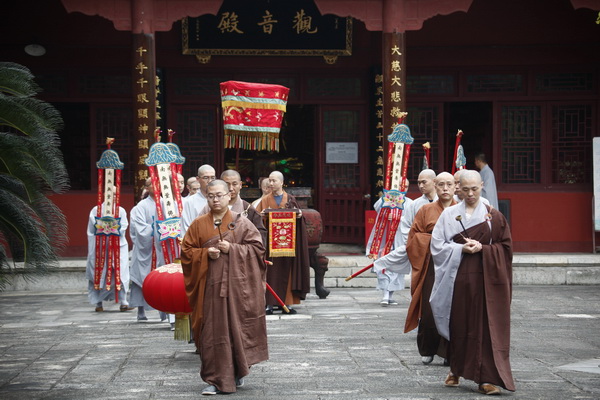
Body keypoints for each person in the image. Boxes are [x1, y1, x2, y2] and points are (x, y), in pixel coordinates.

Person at [430, 170, 514, 395]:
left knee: (484, 327)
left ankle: (485, 378)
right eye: (465, 189)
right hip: (458, 278)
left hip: (486, 280)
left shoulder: (492, 216)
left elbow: (505, 248)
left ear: (482, 186)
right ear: (459, 188)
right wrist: (460, 247)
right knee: (459, 324)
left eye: (474, 189)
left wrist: (484, 249)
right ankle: (455, 369)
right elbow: (437, 246)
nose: (469, 194)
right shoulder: (449, 215)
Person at [181, 180, 268, 395]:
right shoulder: (199, 224)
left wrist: (233, 249)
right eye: (211, 196)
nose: (215, 199)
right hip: (210, 290)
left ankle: (237, 371)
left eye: (219, 195)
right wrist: (204, 254)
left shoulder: (242, 223)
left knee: (237, 330)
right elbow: (186, 252)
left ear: (229, 196)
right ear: (206, 197)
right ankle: (214, 379)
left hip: (238, 291)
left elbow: (258, 250)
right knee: (212, 333)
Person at [405, 172, 457, 366]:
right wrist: (435, 240)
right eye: (441, 184)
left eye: (449, 184)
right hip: (431, 266)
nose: (445, 188)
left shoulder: (460, 210)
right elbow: (413, 238)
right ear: (435, 186)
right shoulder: (425, 210)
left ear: (455, 187)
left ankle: (448, 351)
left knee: (452, 309)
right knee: (429, 308)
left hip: (454, 265)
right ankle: (428, 348)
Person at [254, 171, 310, 315]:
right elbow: (257, 220)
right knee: (271, 273)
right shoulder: (265, 200)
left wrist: (299, 215)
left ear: (281, 182)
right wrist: (263, 215)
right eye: (269, 181)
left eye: (274, 181)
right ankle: (269, 304)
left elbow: (299, 217)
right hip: (270, 244)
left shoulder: (290, 199)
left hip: (288, 244)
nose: (271, 184)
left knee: (288, 272)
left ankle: (287, 302)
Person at [366, 180, 413, 306]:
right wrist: (387, 211)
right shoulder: (386, 199)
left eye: (407, 187)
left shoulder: (410, 203)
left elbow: (413, 219)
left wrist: (399, 218)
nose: (405, 189)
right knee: (384, 265)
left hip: (400, 238)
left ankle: (390, 295)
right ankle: (385, 295)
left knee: (397, 268)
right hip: (385, 238)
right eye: (402, 186)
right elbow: (377, 208)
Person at [129, 178, 167, 322]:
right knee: (140, 279)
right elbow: (138, 228)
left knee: (163, 281)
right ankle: (140, 311)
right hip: (146, 249)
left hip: (162, 248)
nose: (156, 187)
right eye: (152, 184)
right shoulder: (141, 206)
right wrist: (157, 229)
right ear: (146, 188)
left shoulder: (167, 204)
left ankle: (164, 313)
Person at [85, 203, 132, 312]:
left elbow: (123, 227)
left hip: (117, 246)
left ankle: (123, 301)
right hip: (100, 247)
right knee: (98, 273)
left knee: (120, 273)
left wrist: (110, 226)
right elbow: (92, 230)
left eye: (116, 194)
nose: (113, 197)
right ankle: (98, 302)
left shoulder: (121, 210)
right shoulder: (95, 210)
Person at [181, 164, 216, 237]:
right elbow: (186, 227)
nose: (209, 181)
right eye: (206, 178)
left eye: (212, 178)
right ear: (198, 179)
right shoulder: (190, 201)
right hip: (197, 243)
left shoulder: (221, 199)